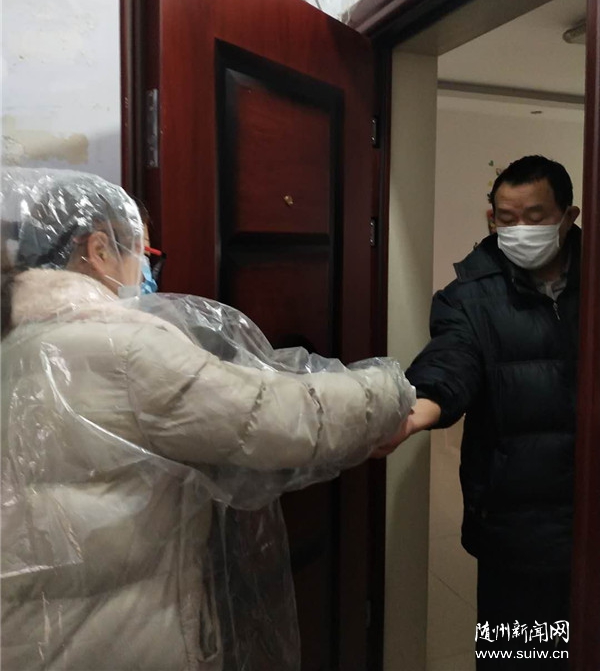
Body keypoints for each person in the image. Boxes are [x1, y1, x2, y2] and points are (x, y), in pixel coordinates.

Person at [1, 167, 415, 671]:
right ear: (99, 249)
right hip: (113, 644)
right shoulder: (123, 349)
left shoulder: (16, 339)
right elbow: (281, 417)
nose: (148, 272)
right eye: (145, 254)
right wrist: (393, 391)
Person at [374, 156, 580, 668]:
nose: (520, 230)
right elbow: (451, 360)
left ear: (568, 216)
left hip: (587, 520)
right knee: (518, 654)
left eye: (535, 217)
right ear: (491, 219)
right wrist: (417, 408)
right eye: (507, 219)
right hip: (514, 527)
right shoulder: (467, 296)